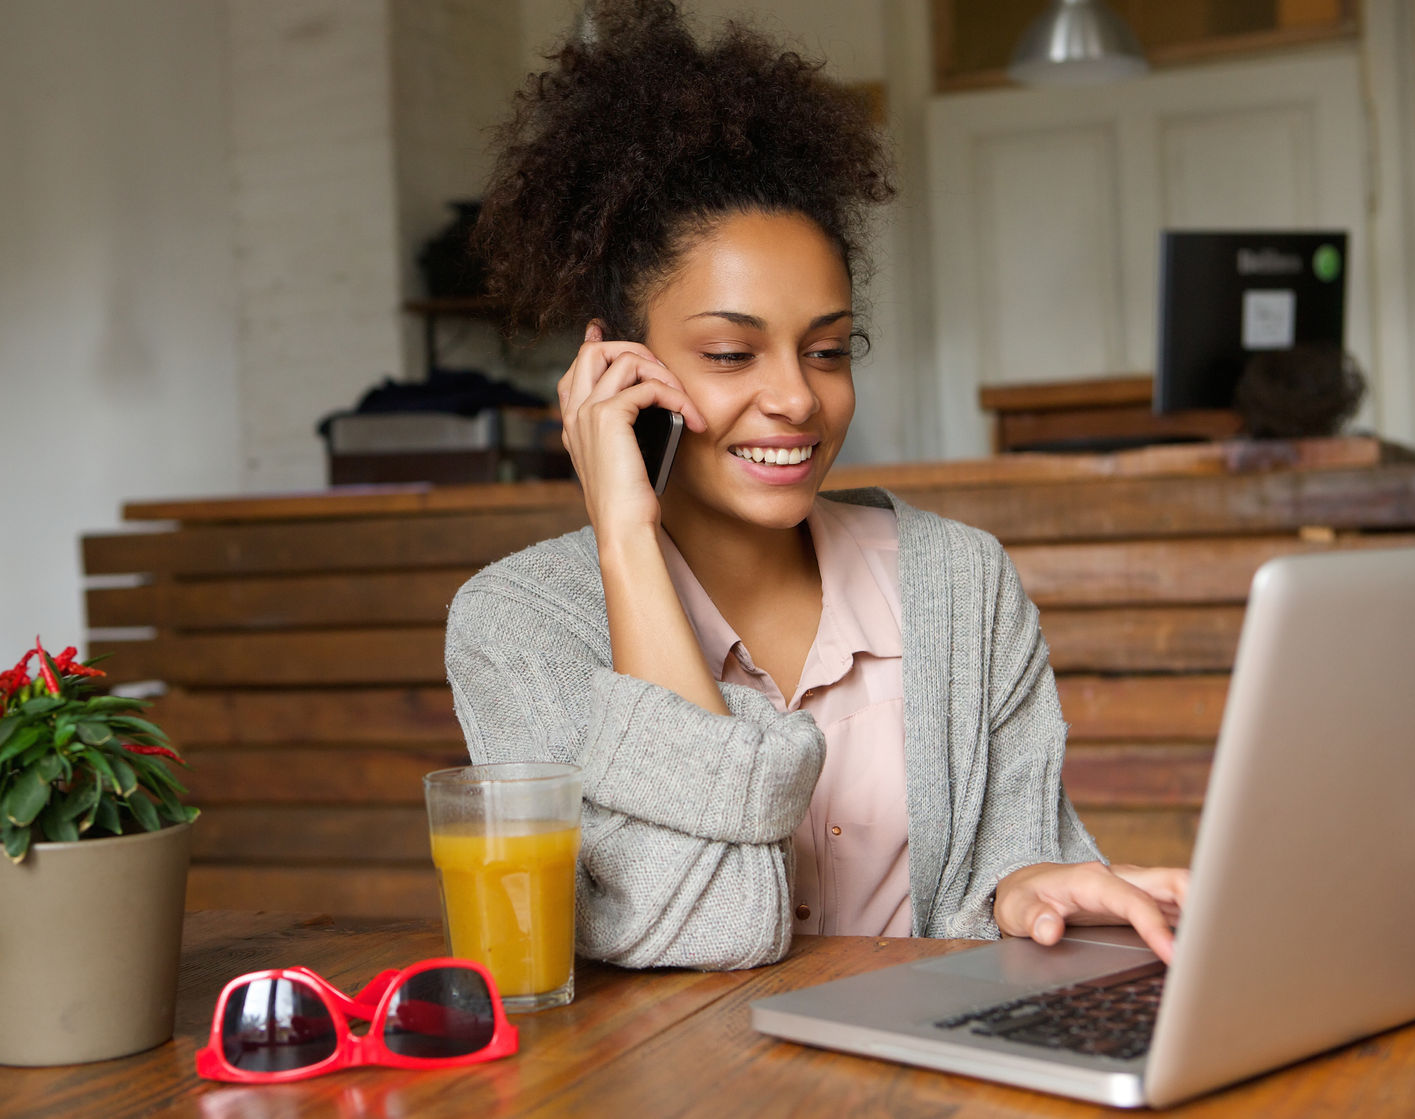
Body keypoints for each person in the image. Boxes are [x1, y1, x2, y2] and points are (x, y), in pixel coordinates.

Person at [445, 0, 1187, 971]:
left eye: (827, 350)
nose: (796, 396)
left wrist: (1018, 891)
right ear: (619, 367)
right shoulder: (517, 629)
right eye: (728, 352)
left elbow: (1012, 862)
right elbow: (708, 928)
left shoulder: (962, 586)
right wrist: (624, 536)